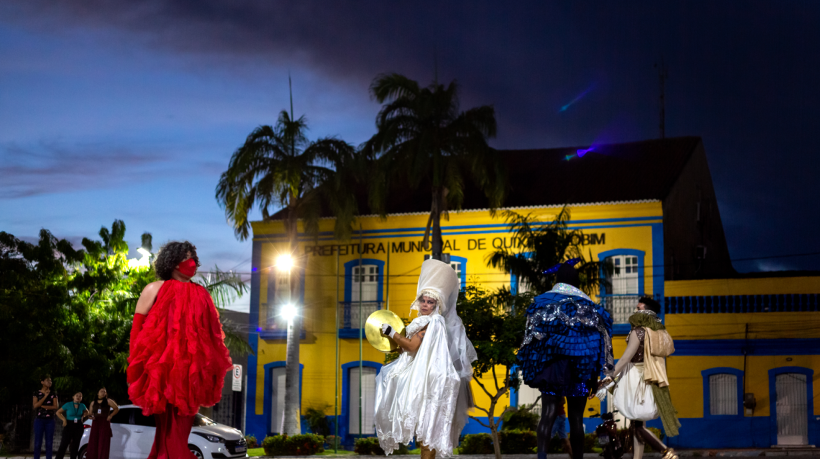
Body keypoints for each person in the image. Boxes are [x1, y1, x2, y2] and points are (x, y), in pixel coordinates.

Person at [128, 241, 233, 459]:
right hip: (162, 374)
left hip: (190, 377)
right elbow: (137, 331)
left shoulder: (202, 294)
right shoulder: (154, 289)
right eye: (186, 257)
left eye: (193, 256)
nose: (192, 262)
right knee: (168, 432)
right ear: (173, 262)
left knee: (176, 433)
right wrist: (135, 370)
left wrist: (209, 372)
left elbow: (211, 336)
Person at [374, 259, 476, 459]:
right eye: (423, 300)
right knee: (426, 435)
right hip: (426, 378)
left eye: (431, 302)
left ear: (437, 305)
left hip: (428, 381)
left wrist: (391, 333)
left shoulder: (433, 322)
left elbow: (412, 345)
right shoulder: (425, 321)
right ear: (418, 301)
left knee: (428, 435)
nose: (426, 305)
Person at [517, 261, 613, 459]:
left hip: (552, 369)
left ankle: (542, 457)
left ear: (557, 280)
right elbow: (597, 346)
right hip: (580, 372)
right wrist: (594, 376)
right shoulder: (591, 308)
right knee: (576, 418)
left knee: (548, 413)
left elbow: (532, 339)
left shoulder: (543, 303)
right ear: (577, 282)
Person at [597, 297, 680, 459]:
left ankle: (666, 452)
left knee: (637, 425)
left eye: (638, 308)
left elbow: (625, 358)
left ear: (645, 312)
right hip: (650, 378)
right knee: (637, 424)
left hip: (636, 379)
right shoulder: (657, 332)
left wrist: (610, 377)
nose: (635, 311)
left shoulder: (639, 331)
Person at [55, 391, 89, 459]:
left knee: (75, 445)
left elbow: (87, 412)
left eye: (80, 396)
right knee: (64, 444)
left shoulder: (82, 405)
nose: (78, 397)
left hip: (78, 425)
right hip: (69, 424)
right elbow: (58, 412)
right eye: (77, 395)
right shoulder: (68, 404)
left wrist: (83, 416)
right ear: (73, 397)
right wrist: (64, 419)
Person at [86, 388, 118, 459]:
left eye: (104, 392)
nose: (103, 393)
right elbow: (90, 414)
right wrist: (90, 417)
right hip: (96, 423)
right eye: (101, 391)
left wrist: (110, 415)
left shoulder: (108, 401)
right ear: (97, 393)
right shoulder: (93, 403)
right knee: (93, 442)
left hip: (104, 423)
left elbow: (116, 408)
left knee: (103, 443)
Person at [32, 375, 59, 459]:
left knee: (49, 443)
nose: (50, 382)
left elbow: (56, 406)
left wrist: (44, 406)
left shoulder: (53, 393)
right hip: (39, 420)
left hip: (50, 420)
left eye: (50, 381)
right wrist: (45, 397)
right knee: (37, 443)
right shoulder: (36, 393)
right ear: (42, 382)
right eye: (47, 380)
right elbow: (35, 406)